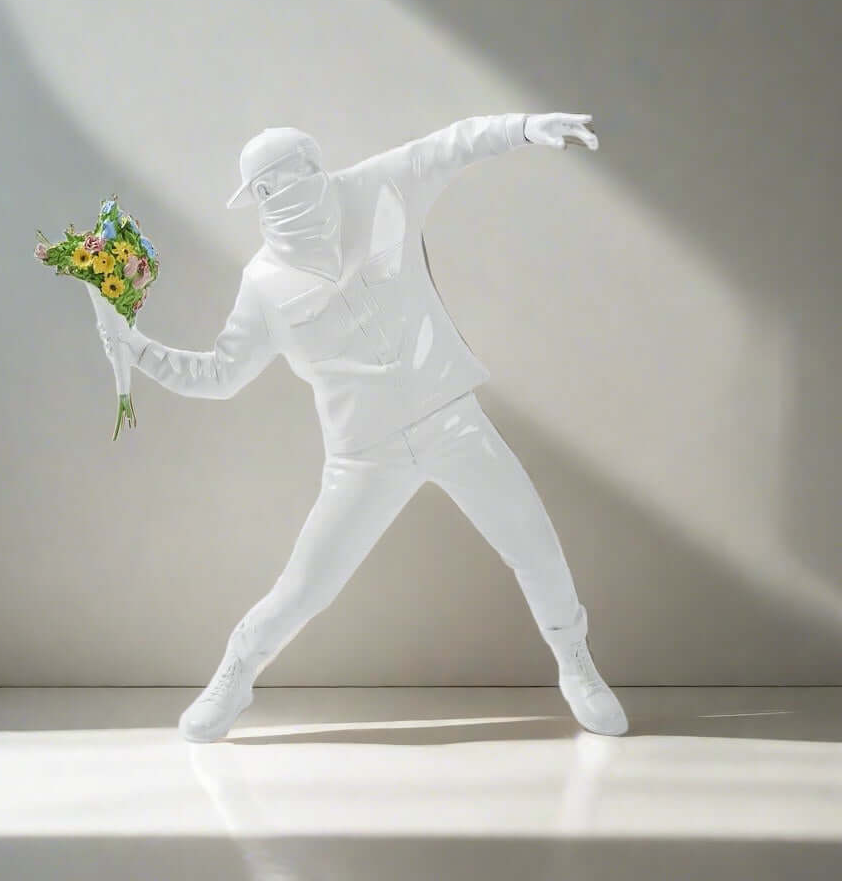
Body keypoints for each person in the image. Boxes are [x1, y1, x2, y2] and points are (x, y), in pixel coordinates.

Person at [99, 112, 629, 742]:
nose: (274, 196)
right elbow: (219, 373)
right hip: (365, 453)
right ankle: (236, 671)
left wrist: (524, 127)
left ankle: (576, 662)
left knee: (533, 544)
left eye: (280, 179)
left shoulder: (382, 186)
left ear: (310, 167)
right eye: (262, 190)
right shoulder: (263, 284)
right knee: (305, 587)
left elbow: (452, 145)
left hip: (450, 419)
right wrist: (139, 349)